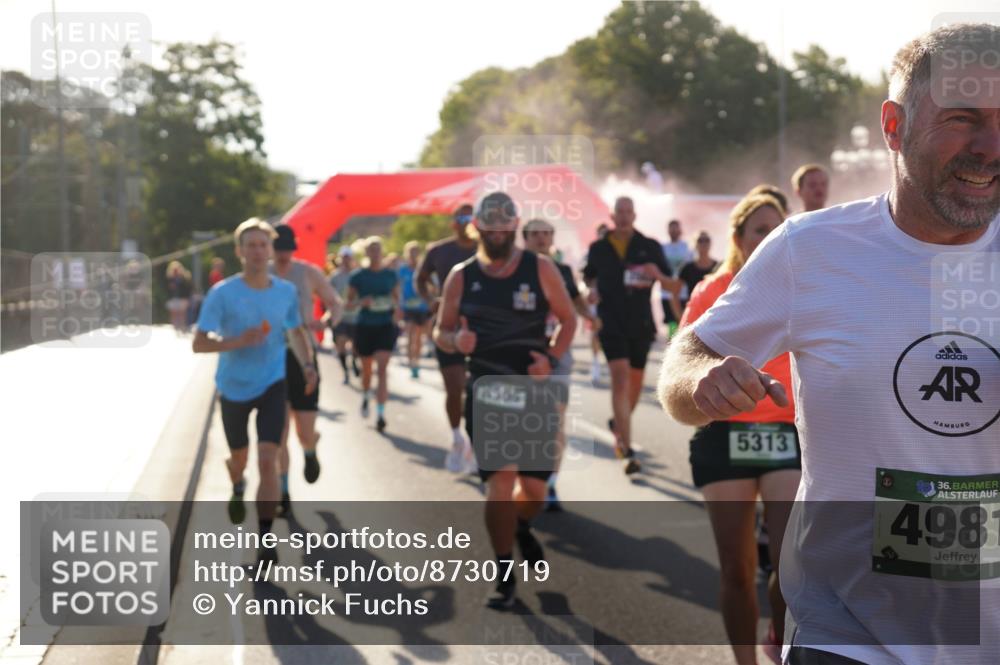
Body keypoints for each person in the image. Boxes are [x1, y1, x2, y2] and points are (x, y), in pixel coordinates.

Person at [659, 24, 1000, 665]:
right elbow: (684, 361)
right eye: (963, 119)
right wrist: (701, 379)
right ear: (894, 125)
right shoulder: (808, 249)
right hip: (847, 634)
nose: (991, 146)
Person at [434, 192, 575, 609]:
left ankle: (520, 525)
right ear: (476, 227)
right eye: (488, 226)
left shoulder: (540, 268)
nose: (496, 233)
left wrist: (549, 359)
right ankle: (503, 573)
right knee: (500, 482)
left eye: (504, 226)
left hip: (532, 387)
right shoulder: (461, 276)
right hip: (487, 387)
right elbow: (440, 331)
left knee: (533, 487)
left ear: (514, 226)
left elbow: (569, 319)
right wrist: (455, 340)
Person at [678, 195, 799, 665]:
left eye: (777, 228)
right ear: (739, 238)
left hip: (784, 432)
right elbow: (682, 360)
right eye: (758, 229)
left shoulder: (801, 285)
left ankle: (780, 634)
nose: (768, 237)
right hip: (724, 435)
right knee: (736, 567)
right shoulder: (713, 290)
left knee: (791, 568)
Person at [193, 218, 317, 560]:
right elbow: (199, 344)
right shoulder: (223, 294)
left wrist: (307, 365)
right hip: (233, 388)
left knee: (267, 459)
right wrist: (236, 342)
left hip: (273, 384)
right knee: (240, 459)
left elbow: (295, 331)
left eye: (264, 245)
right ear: (239, 252)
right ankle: (236, 482)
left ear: (270, 250)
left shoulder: (285, 292)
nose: (258, 251)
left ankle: (265, 540)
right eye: (251, 245)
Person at [584, 196, 681, 474]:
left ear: (634, 215)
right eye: (620, 212)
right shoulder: (599, 248)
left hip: (640, 324)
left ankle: (620, 421)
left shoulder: (649, 246)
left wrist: (657, 275)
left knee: (635, 384)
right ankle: (625, 447)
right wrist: (589, 290)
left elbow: (672, 286)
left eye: (629, 211)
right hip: (610, 322)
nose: (624, 216)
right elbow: (588, 276)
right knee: (620, 377)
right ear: (612, 216)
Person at [522, 218, 600, 511]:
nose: (542, 239)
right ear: (525, 239)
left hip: (558, 351)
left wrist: (590, 315)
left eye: (546, 234)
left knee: (554, 419)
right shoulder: (515, 270)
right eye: (536, 234)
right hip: (521, 355)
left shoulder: (563, 271)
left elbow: (577, 303)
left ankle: (551, 483)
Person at [269, 225, 343, 515]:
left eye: (288, 249)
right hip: (272, 357)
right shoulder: (264, 275)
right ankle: (284, 491)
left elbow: (334, 302)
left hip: (304, 358)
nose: (283, 255)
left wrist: (326, 322)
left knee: (304, 431)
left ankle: (311, 450)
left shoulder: (307, 272)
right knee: (279, 433)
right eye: (279, 249)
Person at [416, 204, 478, 473]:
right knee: (454, 388)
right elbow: (421, 279)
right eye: (461, 218)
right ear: (453, 223)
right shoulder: (439, 251)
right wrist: (431, 300)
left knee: (477, 391)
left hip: (480, 329)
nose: (467, 222)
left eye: (471, 217)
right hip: (448, 326)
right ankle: (456, 438)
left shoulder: (486, 251)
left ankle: (477, 445)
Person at [346, 236, 400, 433]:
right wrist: (362, 303)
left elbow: (397, 299)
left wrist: (397, 310)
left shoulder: (390, 275)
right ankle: (366, 394)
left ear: (382, 251)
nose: (375, 253)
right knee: (367, 370)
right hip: (365, 326)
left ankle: (381, 414)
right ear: (366, 253)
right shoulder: (358, 276)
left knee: (383, 369)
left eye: (378, 249)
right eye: (372, 249)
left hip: (385, 325)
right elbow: (348, 304)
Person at [399, 240, 431, 378]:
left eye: (415, 252)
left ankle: (416, 362)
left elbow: (431, 285)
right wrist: (399, 305)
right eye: (411, 252)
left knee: (418, 336)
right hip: (407, 307)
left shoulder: (423, 269)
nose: (413, 255)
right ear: (407, 254)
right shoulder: (402, 270)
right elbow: (397, 288)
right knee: (410, 334)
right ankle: (410, 359)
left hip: (421, 307)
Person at [329, 246, 360, 384]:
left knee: (356, 346)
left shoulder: (358, 275)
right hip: (341, 317)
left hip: (356, 317)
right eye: (344, 258)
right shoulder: (334, 277)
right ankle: (345, 372)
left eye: (349, 258)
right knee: (341, 344)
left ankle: (354, 360)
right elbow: (328, 296)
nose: (346, 261)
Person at [660, 219, 693, 339]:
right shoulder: (662, 247)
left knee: (683, 320)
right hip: (666, 292)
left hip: (683, 292)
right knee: (671, 321)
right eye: (671, 228)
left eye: (676, 228)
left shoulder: (687, 247)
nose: (674, 231)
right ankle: (672, 343)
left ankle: (682, 344)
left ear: (680, 230)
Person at [588, 223, 610, 385]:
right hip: (596, 299)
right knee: (596, 331)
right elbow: (585, 275)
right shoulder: (592, 251)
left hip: (613, 301)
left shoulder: (615, 253)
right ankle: (595, 362)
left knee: (610, 333)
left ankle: (610, 360)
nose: (603, 235)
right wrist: (591, 289)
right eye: (601, 233)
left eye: (606, 233)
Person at [677, 231, 719, 313]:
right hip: (693, 314)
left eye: (707, 240)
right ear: (695, 244)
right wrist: (679, 316)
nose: (704, 243)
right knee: (671, 325)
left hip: (714, 313)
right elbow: (675, 292)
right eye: (700, 240)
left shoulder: (718, 267)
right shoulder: (687, 268)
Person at [165, 260, 192, 334]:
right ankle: (175, 327)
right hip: (173, 298)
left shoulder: (184, 278)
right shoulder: (170, 279)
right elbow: (167, 289)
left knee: (182, 313)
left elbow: (188, 288)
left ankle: (182, 326)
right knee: (174, 313)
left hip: (182, 298)